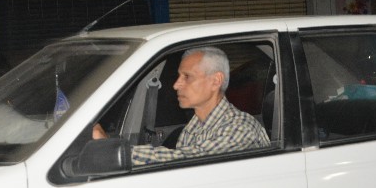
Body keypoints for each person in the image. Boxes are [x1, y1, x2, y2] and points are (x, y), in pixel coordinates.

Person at [93, 46, 269, 165]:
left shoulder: (240, 128)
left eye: (187, 77)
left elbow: (187, 161)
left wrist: (116, 152)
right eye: (179, 76)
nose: (176, 84)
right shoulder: (194, 126)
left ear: (216, 81)